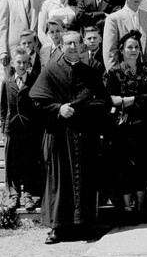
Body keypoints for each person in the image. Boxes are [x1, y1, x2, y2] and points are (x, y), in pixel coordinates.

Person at [30, 31, 111, 244]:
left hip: (85, 135)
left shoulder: (91, 70)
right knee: (59, 181)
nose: (72, 47)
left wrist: (84, 110)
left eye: (76, 42)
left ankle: (85, 225)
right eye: (68, 43)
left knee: (86, 179)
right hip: (59, 135)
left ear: (83, 45)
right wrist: (58, 108)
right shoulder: (51, 69)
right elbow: (37, 101)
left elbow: (104, 101)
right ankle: (57, 228)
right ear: (61, 46)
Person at [104, 30, 147, 222]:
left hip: (146, 127)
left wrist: (125, 100)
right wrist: (134, 99)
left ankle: (141, 208)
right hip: (122, 129)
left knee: (145, 167)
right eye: (129, 47)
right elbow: (110, 100)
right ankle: (126, 209)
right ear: (122, 50)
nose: (133, 50)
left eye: (136, 47)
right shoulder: (114, 73)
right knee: (124, 168)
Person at [1, 47, 40, 211]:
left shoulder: (34, 80)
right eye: (19, 62)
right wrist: (3, 129)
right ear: (12, 63)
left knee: (29, 162)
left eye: (25, 62)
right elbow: (3, 108)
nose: (22, 66)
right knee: (12, 163)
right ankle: (13, 195)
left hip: (29, 129)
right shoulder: (7, 82)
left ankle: (28, 195)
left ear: (29, 63)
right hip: (12, 129)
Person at [0, 0, 42, 72]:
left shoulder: (42, 1)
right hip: (14, 54)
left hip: (35, 55)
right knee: (12, 86)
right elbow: (2, 28)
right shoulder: (8, 1)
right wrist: (3, 51)